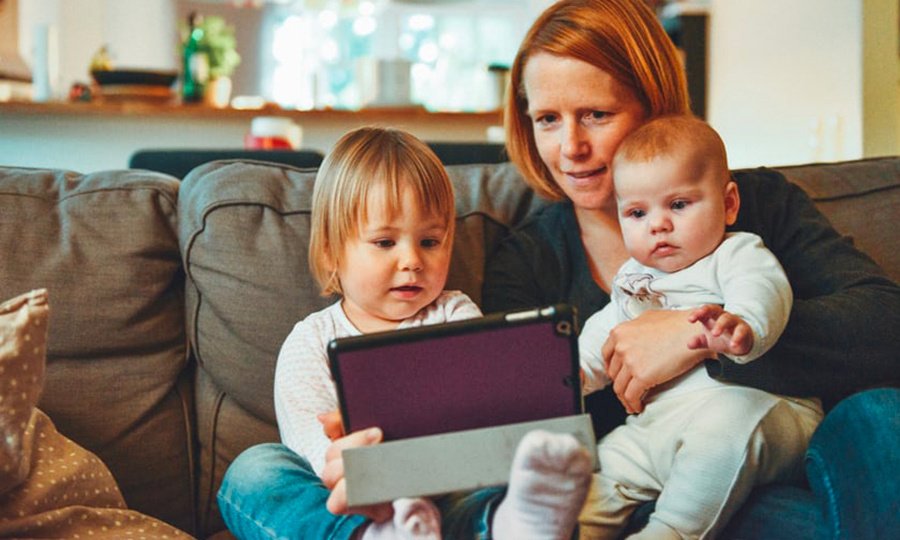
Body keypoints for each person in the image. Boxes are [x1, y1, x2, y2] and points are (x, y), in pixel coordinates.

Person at [482, 0, 900, 538]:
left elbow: (885, 323)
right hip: (639, 489)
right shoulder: (526, 260)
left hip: (785, 459)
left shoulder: (756, 205)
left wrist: (695, 333)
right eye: (547, 120)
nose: (571, 148)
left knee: (879, 415)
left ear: (654, 106)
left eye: (596, 114)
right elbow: (522, 413)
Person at [217, 126, 594, 540]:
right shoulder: (309, 341)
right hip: (356, 502)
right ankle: (375, 537)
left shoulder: (455, 314)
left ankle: (514, 526)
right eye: (384, 242)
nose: (412, 260)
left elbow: (481, 416)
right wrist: (352, 460)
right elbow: (314, 452)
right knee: (255, 470)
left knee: (506, 474)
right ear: (330, 251)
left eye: (430, 241)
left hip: (449, 492)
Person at [576, 114, 823, 539]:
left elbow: (762, 288)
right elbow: (608, 331)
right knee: (598, 470)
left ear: (728, 204)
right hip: (658, 428)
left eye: (678, 205)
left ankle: (672, 531)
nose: (658, 224)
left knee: (722, 429)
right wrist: (573, 374)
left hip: (759, 413)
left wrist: (744, 324)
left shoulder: (735, 253)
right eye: (637, 212)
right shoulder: (634, 278)